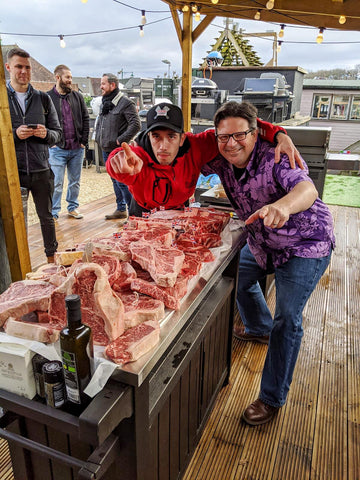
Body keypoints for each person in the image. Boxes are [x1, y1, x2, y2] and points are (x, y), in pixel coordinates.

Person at [200, 101, 335, 426]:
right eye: (223, 137)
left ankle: (271, 398)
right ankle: (259, 327)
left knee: (287, 319)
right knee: (234, 275)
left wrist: (284, 206)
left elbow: (306, 188)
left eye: (239, 135)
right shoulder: (220, 159)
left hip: (305, 244)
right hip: (262, 242)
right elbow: (183, 157)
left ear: (254, 133)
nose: (231, 143)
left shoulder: (274, 157)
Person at [106, 102, 302, 217]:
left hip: (180, 213)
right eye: (156, 136)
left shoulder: (197, 145)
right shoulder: (137, 156)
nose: (163, 146)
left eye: (171, 136)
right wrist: (116, 161)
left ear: (182, 137)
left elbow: (240, 124)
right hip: (143, 214)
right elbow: (119, 160)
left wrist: (279, 134)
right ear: (148, 136)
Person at [5, 47, 62, 263]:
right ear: (8, 67)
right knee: (17, 222)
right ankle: (20, 263)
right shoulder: (3, 100)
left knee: (47, 218)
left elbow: (58, 135)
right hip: (15, 172)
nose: (23, 71)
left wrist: (45, 133)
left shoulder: (43, 99)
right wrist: (15, 135)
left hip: (41, 169)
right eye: (19, 66)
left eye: (27, 67)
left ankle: (51, 261)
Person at [95, 73, 141, 220]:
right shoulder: (106, 102)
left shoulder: (125, 103)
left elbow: (136, 124)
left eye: (103, 84)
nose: (100, 87)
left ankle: (132, 214)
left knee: (123, 183)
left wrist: (119, 141)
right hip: (106, 149)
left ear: (112, 85)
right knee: (115, 181)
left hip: (118, 150)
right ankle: (121, 209)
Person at [47, 64, 89, 221]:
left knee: (75, 182)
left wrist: (84, 141)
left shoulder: (77, 96)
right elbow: (43, 122)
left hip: (77, 148)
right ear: (58, 78)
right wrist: (50, 143)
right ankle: (54, 212)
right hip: (57, 149)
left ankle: (72, 207)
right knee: (56, 183)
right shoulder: (47, 97)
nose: (70, 80)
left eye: (71, 77)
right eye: (68, 77)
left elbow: (85, 118)